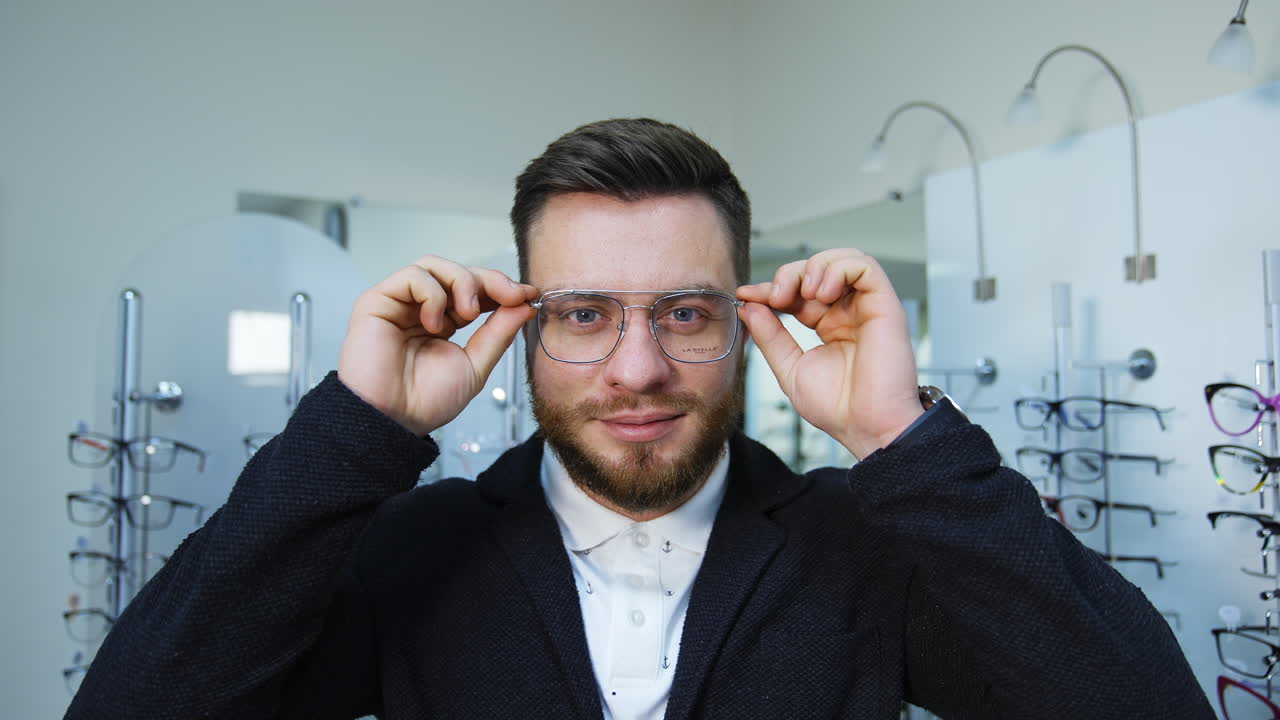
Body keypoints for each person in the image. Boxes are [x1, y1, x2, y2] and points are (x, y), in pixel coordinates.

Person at [67, 118, 1212, 719]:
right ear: (517, 322)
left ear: (747, 313)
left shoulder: (865, 550)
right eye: (581, 314)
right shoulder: (407, 556)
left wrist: (902, 441)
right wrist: (355, 427)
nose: (637, 368)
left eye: (682, 311)